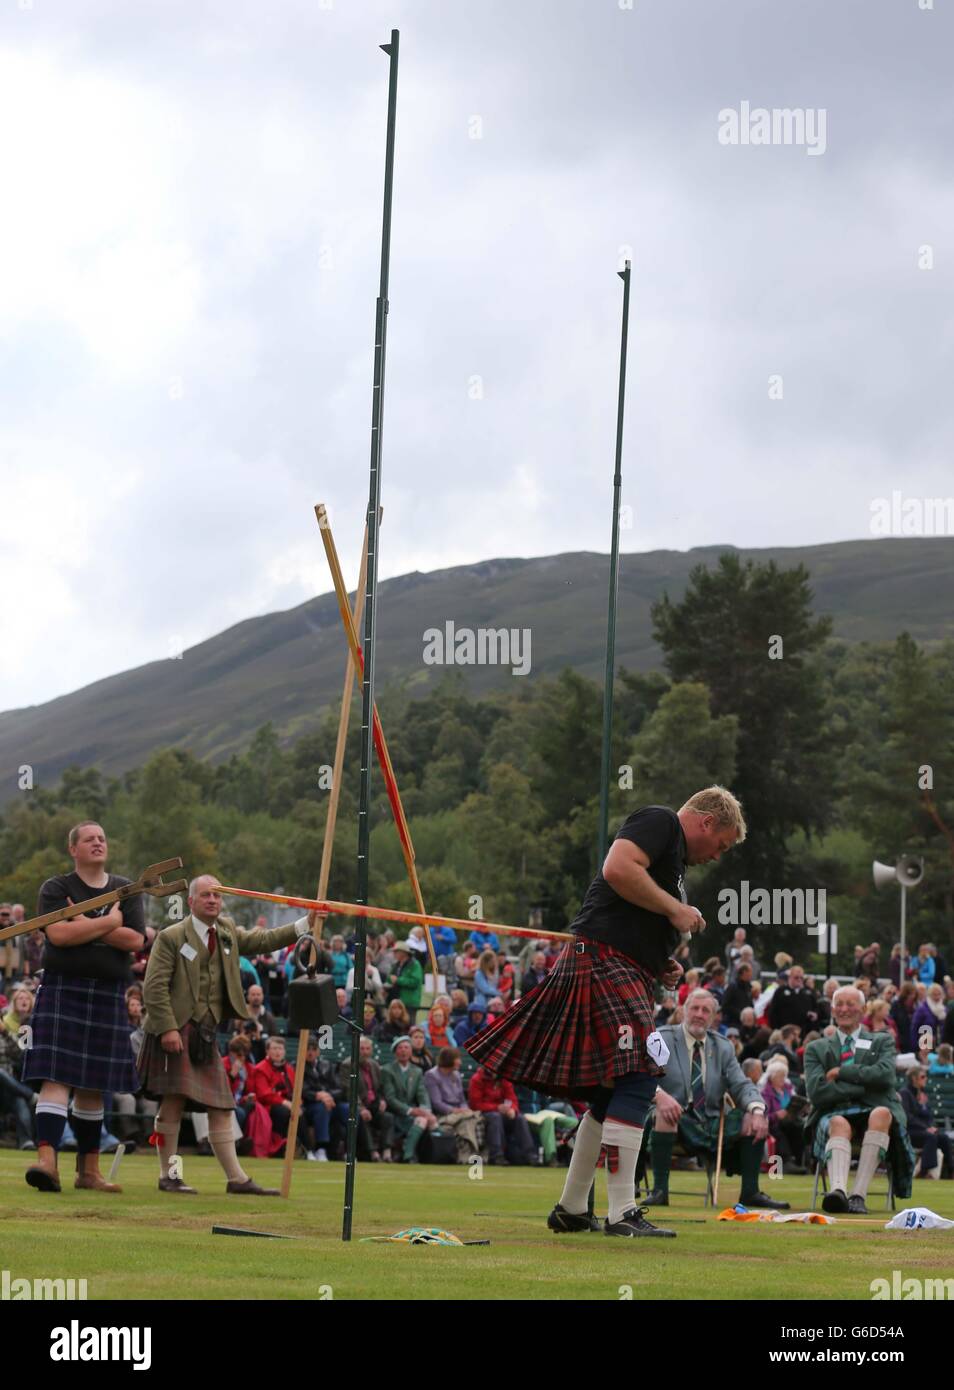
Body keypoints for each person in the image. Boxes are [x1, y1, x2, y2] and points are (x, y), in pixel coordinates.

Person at [467, 786, 746, 1238]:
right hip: (602, 962)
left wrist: (659, 961)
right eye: (722, 844)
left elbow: (628, 909)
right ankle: (622, 1212)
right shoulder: (661, 821)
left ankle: (573, 1208)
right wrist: (676, 909)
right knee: (639, 1076)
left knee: (609, 1091)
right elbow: (617, 869)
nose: (718, 855)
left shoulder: (672, 855)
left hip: (620, 966)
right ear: (707, 821)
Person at [139, 874, 313, 1195]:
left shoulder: (227, 933)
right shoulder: (171, 937)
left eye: (217, 896)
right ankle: (169, 1175)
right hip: (175, 1030)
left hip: (205, 1033)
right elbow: (154, 987)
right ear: (190, 901)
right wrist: (166, 1029)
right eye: (206, 895)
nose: (213, 901)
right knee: (172, 1106)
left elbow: (265, 940)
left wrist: (304, 925)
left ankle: (236, 1179)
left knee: (221, 1104)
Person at [22, 822, 147, 1195]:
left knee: (95, 1085)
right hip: (64, 989)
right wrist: (109, 921)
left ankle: (89, 1171)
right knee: (55, 1078)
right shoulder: (56, 888)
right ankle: (47, 1163)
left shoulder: (125, 889)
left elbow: (134, 939)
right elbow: (58, 935)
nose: (98, 843)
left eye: (103, 838)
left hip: (109, 992)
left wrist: (81, 920)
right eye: (89, 838)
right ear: (72, 849)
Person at [644, 989, 788, 1209]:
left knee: (753, 1119)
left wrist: (758, 1109)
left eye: (706, 1011)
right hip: (673, 1115)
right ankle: (660, 1191)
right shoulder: (661, 1038)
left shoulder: (723, 1046)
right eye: (695, 1008)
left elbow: (741, 1084)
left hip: (711, 1119)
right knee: (666, 1115)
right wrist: (660, 1096)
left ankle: (750, 1192)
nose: (699, 1014)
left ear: (713, 1018)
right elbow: (641, 1076)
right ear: (684, 1010)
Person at [804, 986, 915, 1214]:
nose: (845, 1009)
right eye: (840, 1004)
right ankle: (838, 1193)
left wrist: (842, 1073)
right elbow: (817, 1093)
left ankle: (857, 1196)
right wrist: (863, 1086)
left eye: (851, 1004)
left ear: (863, 1009)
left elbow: (885, 1076)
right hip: (833, 1115)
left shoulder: (882, 1040)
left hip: (875, 1112)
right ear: (833, 1009)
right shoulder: (816, 1048)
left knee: (882, 1113)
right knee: (838, 1122)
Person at [380, 1037, 438, 1163]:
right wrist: (410, 1110)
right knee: (422, 1120)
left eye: (406, 1048)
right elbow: (390, 1098)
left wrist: (426, 1110)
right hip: (395, 1114)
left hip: (412, 1115)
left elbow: (422, 1094)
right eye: (400, 1048)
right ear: (395, 1052)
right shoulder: (387, 1070)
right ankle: (409, 1155)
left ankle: (411, 1154)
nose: (403, 1051)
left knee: (427, 1120)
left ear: (411, 1051)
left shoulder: (416, 1071)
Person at [338, 1035, 393, 1161]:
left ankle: (387, 1151)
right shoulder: (347, 1065)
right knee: (362, 1117)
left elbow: (379, 1088)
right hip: (357, 1105)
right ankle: (372, 1152)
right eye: (362, 1049)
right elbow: (349, 1090)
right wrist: (361, 1108)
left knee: (388, 1117)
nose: (365, 1052)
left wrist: (383, 1100)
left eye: (368, 1049)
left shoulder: (374, 1065)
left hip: (373, 1103)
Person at [467, 1065, 536, 1166]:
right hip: (483, 1114)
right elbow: (475, 1104)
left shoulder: (504, 1079)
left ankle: (530, 1156)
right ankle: (497, 1156)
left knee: (520, 1118)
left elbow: (512, 1099)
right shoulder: (477, 1079)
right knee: (495, 1117)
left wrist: (512, 1109)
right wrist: (497, 1107)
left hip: (502, 1113)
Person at [424, 1048, 480, 1162]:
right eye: (458, 1059)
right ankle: (469, 1154)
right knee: (468, 1121)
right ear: (450, 1060)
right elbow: (436, 1102)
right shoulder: (432, 1075)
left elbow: (462, 1100)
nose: (461, 1062)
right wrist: (454, 1110)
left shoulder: (456, 1075)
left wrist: (463, 1109)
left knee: (476, 1118)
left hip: (459, 1113)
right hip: (443, 1114)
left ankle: (470, 1154)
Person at [901, 1064, 952, 1180]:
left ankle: (950, 1170)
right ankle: (924, 1171)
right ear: (914, 1078)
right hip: (910, 1131)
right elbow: (907, 1117)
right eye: (923, 1077)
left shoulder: (922, 1095)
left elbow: (928, 1117)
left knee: (943, 1138)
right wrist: (926, 1128)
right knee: (931, 1137)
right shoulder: (905, 1093)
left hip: (922, 1131)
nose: (926, 1079)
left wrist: (930, 1126)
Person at [300, 1035, 347, 1161]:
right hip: (310, 1106)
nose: (310, 1052)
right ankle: (321, 1148)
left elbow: (339, 1088)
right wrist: (318, 1096)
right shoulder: (298, 1066)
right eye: (307, 1049)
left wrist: (328, 1095)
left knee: (349, 1110)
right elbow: (302, 1090)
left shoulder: (328, 1065)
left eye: (313, 1049)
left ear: (318, 1051)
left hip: (330, 1102)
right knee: (322, 1109)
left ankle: (350, 1149)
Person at [0, 987, 36, 1149]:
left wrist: (5, 1033)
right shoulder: (20, 1025)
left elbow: (20, 1053)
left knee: (19, 1100)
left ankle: (25, 1141)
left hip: (9, 1086)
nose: (23, 1001)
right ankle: (31, 1096)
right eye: (19, 998)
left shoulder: (6, 1032)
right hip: (9, 1080)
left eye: (26, 998)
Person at [762, 1058, 806, 1172]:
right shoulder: (765, 1093)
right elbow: (763, 1117)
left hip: (791, 1121)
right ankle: (786, 1162)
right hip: (774, 1125)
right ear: (772, 1077)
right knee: (780, 1131)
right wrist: (777, 1115)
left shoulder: (788, 1089)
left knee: (800, 1128)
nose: (783, 1079)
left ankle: (799, 1161)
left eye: (784, 1075)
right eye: (780, 1076)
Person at [767, 965, 818, 1034]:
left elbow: (816, 1009)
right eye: (796, 977)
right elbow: (773, 1012)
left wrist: (814, 1015)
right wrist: (776, 1030)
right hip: (784, 1031)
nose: (799, 980)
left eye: (801, 978)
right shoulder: (780, 991)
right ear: (789, 977)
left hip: (804, 1032)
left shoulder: (809, 992)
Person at [387, 940, 423, 1020]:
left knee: (409, 1025)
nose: (394, 953)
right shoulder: (396, 965)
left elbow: (415, 982)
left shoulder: (415, 965)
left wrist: (398, 980)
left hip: (409, 1003)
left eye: (396, 951)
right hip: (395, 1001)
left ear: (403, 952)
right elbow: (389, 978)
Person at [912, 983, 947, 1053]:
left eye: (939, 994)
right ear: (930, 995)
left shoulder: (944, 1009)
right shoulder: (922, 1009)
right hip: (925, 1046)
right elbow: (914, 1029)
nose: (937, 997)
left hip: (941, 1045)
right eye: (934, 994)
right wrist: (916, 1048)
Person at [721, 963, 753, 1028]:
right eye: (750, 971)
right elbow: (725, 1006)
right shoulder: (732, 987)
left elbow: (750, 1003)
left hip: (745, 1024)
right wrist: (740, 1014)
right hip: (733, 1023)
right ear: (744, 972)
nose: (751, 974)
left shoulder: (748, 987)